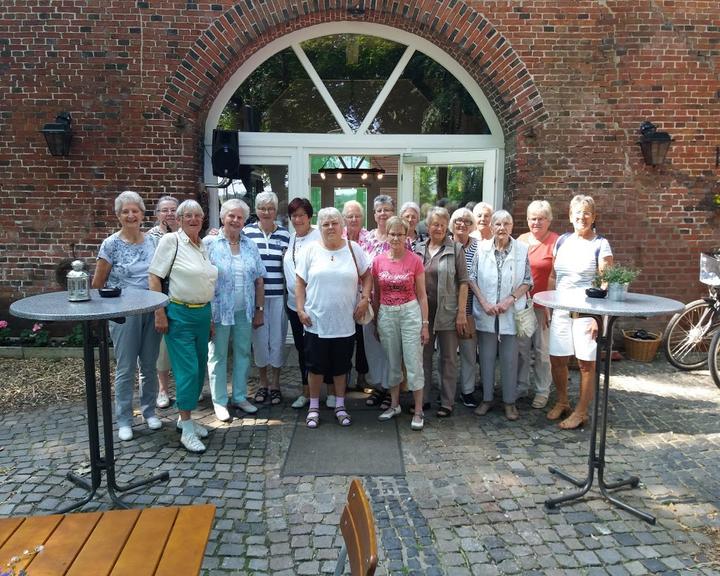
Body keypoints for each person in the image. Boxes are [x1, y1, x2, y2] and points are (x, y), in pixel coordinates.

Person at [92, 191, 163, 442]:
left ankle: (149, 411)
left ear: (142, 214)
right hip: (123, 314)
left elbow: (160, 275)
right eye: (125, 211)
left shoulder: (154, 242)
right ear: (118, 216)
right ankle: (124, 419)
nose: (131, 215)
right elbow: (97, 283)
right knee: (125, 367)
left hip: (151, 308)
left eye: (135, 211)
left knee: (149, 365)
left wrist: (160, 310)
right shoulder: (110, 244)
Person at [148, 199, 218, 453]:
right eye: (187, 215)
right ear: (178, 220)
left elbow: (204, 284)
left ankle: (184, 420)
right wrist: (160, 313)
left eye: (197, 215)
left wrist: (209, 319)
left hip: (202, 314)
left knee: (199, 369)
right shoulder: (172, 241)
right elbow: (154, 276)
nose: (193, 219)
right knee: (188, 370)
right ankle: (187, 428)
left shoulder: (202, 246)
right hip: (179, 313)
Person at [295, 207, 372, 428]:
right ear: (319, 227)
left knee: (341, 367)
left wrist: (365, 299)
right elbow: (300, 283)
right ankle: (314, 407)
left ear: (342, 226)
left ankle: (340, 405)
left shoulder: (353, 248)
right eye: (325, 223)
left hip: (345, 322)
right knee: (316, 367)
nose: (330, 227)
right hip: (316, 321)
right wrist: (300, 310)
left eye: (334, 223)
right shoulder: (310, 250)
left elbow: (367, 277)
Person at [547, 194, 613, 429]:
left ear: (594, 217)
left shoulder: (600, 245)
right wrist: (548, 306)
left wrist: (599, 318)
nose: (582, 217)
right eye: (578, 213)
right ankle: (563, 400)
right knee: (557, 359)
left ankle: (581, 411)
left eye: (587, 213)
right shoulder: (562, 241)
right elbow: (554, 276)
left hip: (587, 313)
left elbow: (606, 283)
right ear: (570, 216)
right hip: (561, 311)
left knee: (586, 364)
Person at [204, 199, 265, 422]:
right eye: (231, 215)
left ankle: (239, 396)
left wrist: (259, 309)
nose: (235, 220)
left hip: (244, 311)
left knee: (243, 353)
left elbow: (259, 280)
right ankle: (220, 402)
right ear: (222, 217)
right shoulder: (209, 244)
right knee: (218, 356)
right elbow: (202, 280)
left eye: (240, 217)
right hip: (218, 311)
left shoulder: (250, 245)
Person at [469, 210, 532, 421]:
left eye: (506, 223)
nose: (502, 228)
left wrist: (509, 300)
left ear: (512, 226)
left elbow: (527, 281)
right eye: (497, 223)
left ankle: (509, 402)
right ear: (491, 226)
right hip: (486, 311)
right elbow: (472, 278)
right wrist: (484, 302)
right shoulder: (482, 247)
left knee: (510, 359)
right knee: (486, 357)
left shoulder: (522, 250)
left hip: (510, 312)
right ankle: (487, 399)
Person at [371, 217, 430, 430]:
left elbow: (422, 296)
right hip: (387, 314)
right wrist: (377, 320)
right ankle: (394, 404)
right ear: (386, 234)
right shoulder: (378, 261)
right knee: (392, 362)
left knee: (414, 363)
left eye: (400, 234)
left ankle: (418, 409)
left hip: (410, 313)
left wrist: (424, 324)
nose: (396, 238)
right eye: (392, 233)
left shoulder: (415, 260)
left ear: (406, 236)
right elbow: (376, 295)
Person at [415, 207, 469, 417]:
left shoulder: (455, 249)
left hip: (447, 312)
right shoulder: (418, 249)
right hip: (423, 314)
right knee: (424, 358)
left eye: (442, 224)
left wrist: (461, 313)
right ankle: (424, 398)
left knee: (448, 359)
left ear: (447, 226)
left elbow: (464, 283)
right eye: (434, 224)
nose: (438, 228)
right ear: (427, 227)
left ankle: (447, 401)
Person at [243, 191, 290, 406]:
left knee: (277, 341)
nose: (266, 212)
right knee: (260, 342)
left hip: (278, 296)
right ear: (256, 211)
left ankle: (276, 384)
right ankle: (262, 383)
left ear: (276, 211)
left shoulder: (285, 235)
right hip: (255, 299)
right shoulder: (247, 233)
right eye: (262, 208)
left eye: (270, 208)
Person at [516, 200, 559, 409]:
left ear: (549, 220)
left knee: (542, 351)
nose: (536, 222)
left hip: (544, 307)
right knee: (522, 349)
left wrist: (551, 306)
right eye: (533, 218)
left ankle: (542, 390)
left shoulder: (556, 242)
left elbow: (557, 275)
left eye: (541, 218)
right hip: (523, 306)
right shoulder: (521, 240)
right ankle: (521, 386)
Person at [359, 195, 398, 409]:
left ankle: (389, 387)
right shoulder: (366, 239)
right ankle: (377, 385)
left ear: (393, 212)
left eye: (387, 210)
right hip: (368, 302)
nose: (383, 214)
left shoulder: (399, 237)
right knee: (372, 346)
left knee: (389, 347)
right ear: (374, 215)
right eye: (379, 210)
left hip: (392, 302)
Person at [284, 197, 321, 409]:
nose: (297, 219)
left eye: (301, 215)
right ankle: (306, 391)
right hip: (293, 304)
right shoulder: (291, 238)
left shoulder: (318, 236)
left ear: (309, 216)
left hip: (315, 304)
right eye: (293, 216)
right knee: (302, 349)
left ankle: (329, 390)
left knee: (320, 347)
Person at [147, 195, 179, 409]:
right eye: (164, 210)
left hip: (182, 297)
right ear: (157, 214)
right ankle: (163, 390)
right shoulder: (150, 237)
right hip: (161, 296)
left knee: (184, 345)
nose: (169, 213)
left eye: (173, 210)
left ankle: (187, 389)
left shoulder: (186, 233)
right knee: (162, 349)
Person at [449, 207, 479, 408]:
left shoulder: (479, 248)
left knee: (468, 352)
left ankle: (467, 390)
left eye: (467, 221)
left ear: (472, 226)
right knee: (448, 354)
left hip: (468, 309)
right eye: (458, 220)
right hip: (446, 308)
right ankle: (446, 390)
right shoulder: (446, 245)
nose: (462, 224)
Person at [342, 200, 370, 392]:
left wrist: (366, 296)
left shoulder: (370, 238)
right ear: (344, 218)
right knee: (344, 338)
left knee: (363, 338)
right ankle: (343, 375)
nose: (353, 219)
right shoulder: (338, 237)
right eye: (350, 216)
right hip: (343, 295)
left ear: (363, 218)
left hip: (363, 295)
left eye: (357, 215)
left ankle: (362, 376)